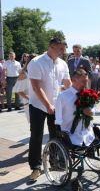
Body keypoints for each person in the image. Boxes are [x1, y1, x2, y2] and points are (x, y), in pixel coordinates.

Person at [27, 38, 71, 182]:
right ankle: (35, 167)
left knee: (57, 134)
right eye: (60, 49)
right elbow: (36, 87)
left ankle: (55, 162)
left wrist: (74, 98)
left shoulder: (62, 63)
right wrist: (47, 105)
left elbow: (67, 83)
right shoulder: (36, 62)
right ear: (51, 47)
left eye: (63, 49)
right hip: (38, 105)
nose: (63, 52)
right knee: (36, 135)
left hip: (56, 104)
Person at [55, 69, 95, 146]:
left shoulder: (89, 94)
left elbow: (93, 110)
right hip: (70, 134)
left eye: (86, 81)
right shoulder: (63, 96)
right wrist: (60, 133)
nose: (86, 84)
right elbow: (58, 118)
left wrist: (91, 112)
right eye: (83, 81)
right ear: (73, 80)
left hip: (87, 134)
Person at [13, 54, 36, 122]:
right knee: (34, 125)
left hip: (40, 102)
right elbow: (19, 91)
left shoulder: (38, 72)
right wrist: (30, 98)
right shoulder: (23, 74)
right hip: (29, 103)